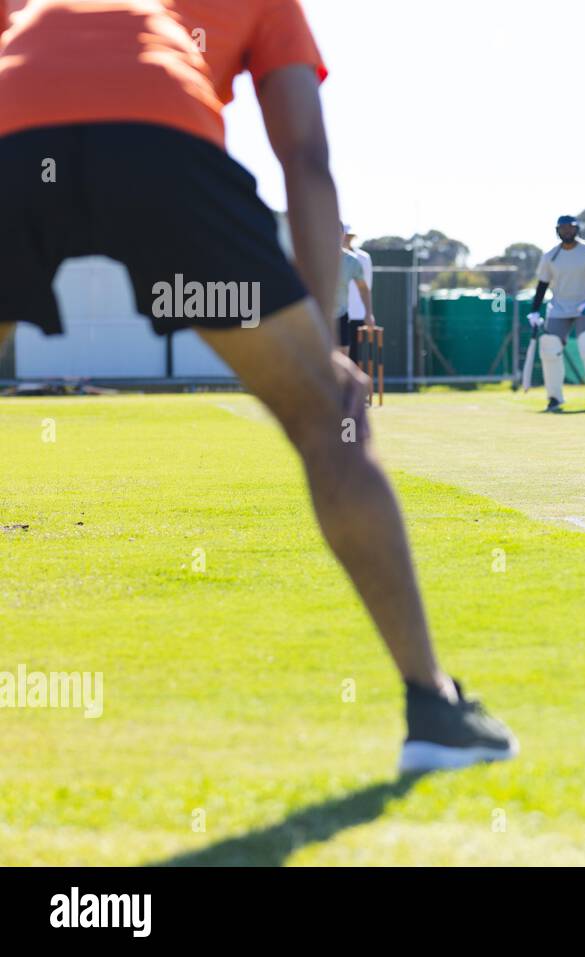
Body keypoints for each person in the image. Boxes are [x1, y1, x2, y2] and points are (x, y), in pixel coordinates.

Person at [0, 0, 516, 771]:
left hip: (14, 134)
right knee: (327, 420)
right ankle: (432, 709)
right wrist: (323, 346)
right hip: (162, 144)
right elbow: (304, 157)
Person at [525, 215, 585, 412]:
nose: (567, 231)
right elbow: (542, 284)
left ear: (576, 229)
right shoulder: (550, 256)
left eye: (570, 228)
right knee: (549, 348)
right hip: (558, 308)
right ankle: (554, 398)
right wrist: (533, 311)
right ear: (557, 230)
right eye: (563, 228)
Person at [333, 222, 373, 361]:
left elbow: (363, 288)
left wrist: (369, 314)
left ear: (342, 235)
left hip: (341, 316)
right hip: (318, 317)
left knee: (344, 361)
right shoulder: (313, 257)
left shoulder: (352, 261)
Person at [343, 223, 375, 355]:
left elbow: (367, 286)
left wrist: (368, 313)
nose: (347, 239)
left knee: (355, 355)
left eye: (349, 237)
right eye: (345, 236)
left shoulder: (363, 258)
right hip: (338, 314)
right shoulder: (331, 256)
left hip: (357, 314)